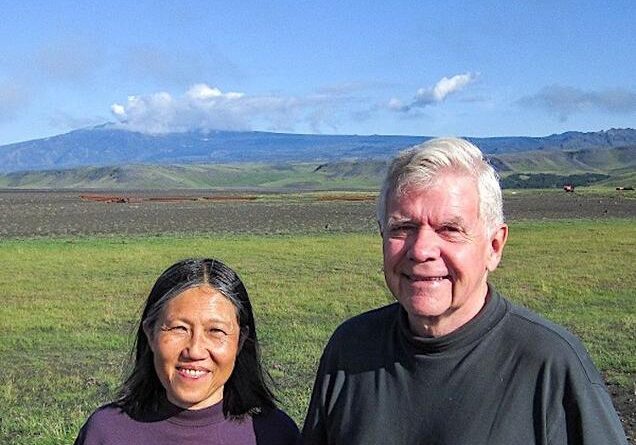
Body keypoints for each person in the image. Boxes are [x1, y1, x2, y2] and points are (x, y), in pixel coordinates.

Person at [302, 138, 627, 444]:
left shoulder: (550, 366)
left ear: (494, 247)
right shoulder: (350, 348)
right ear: (381, 236)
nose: (422, 250)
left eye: (449, 229)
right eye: (403, 228)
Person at [75, 258, 299, 444]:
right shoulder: (105, 433)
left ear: (240, 342)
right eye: (179, 328)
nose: (195, 350)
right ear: (150, 334)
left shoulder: (274, 434)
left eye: (215, 331)